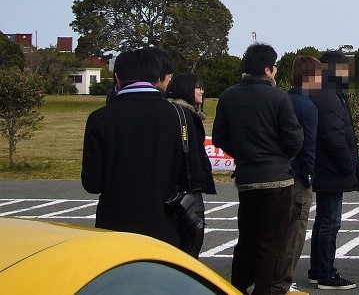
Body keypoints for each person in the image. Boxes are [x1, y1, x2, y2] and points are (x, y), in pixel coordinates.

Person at [212, 43, 304, 295]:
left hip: (247, 178)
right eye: (274, 66)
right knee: (270, 243)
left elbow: (219, 137)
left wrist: (243, 153)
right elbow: (295, 137)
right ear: (267, 69)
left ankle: (237, 287)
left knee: (246, 238)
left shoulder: (229, 96)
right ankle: (262, 291)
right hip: (277, 181)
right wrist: (282, 156)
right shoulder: (278, 97)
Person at [81, 48, 186, 246]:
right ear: (156, 78)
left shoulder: (99, 119)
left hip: (114, 223)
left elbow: (92, 183)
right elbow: (188, 172)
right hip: (165, 221)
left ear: (117, 78)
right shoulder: (178, 115)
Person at [308, 50, 359, 290]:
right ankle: (325, 273)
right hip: (330, 168)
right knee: (330, 221)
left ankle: (317, 269)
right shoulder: (327, 96)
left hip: (325, 167)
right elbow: (333, 136)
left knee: (323, 220)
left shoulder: (326, 93)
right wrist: (347, 164)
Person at [273, 56, 322, 295]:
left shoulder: (281, 99)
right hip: (299, 177)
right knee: (295, 233)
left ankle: (271, 279)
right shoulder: (308, 106)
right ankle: (282, 283)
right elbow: (309, 147)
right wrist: (310, 176)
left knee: (276, 231)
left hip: (277, 173)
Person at [167, 73, 216, 258]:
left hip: (186, 184)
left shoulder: (186, 112)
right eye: (197, 87)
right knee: (193, 234)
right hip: (186, 186)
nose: (202, 91)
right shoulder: (182, 114)